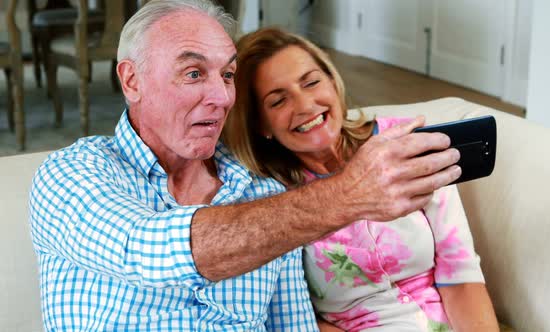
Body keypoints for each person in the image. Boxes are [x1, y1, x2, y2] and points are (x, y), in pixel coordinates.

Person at [29, 0, 462, 330]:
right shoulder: (74, 174)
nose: (221, 98)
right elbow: (146, 250)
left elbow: (294, 325)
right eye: (194, 73)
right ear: (131, 80)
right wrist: (349, 195)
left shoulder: (263, 189)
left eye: (228, 75)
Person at [223, 27, 500, 332]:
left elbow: (460, 276)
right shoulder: (272, 200)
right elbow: (294, 319)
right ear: (261, 124)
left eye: (312, 82)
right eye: (278, 101)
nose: (304, 105)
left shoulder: (408, 144)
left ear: (333, 81)